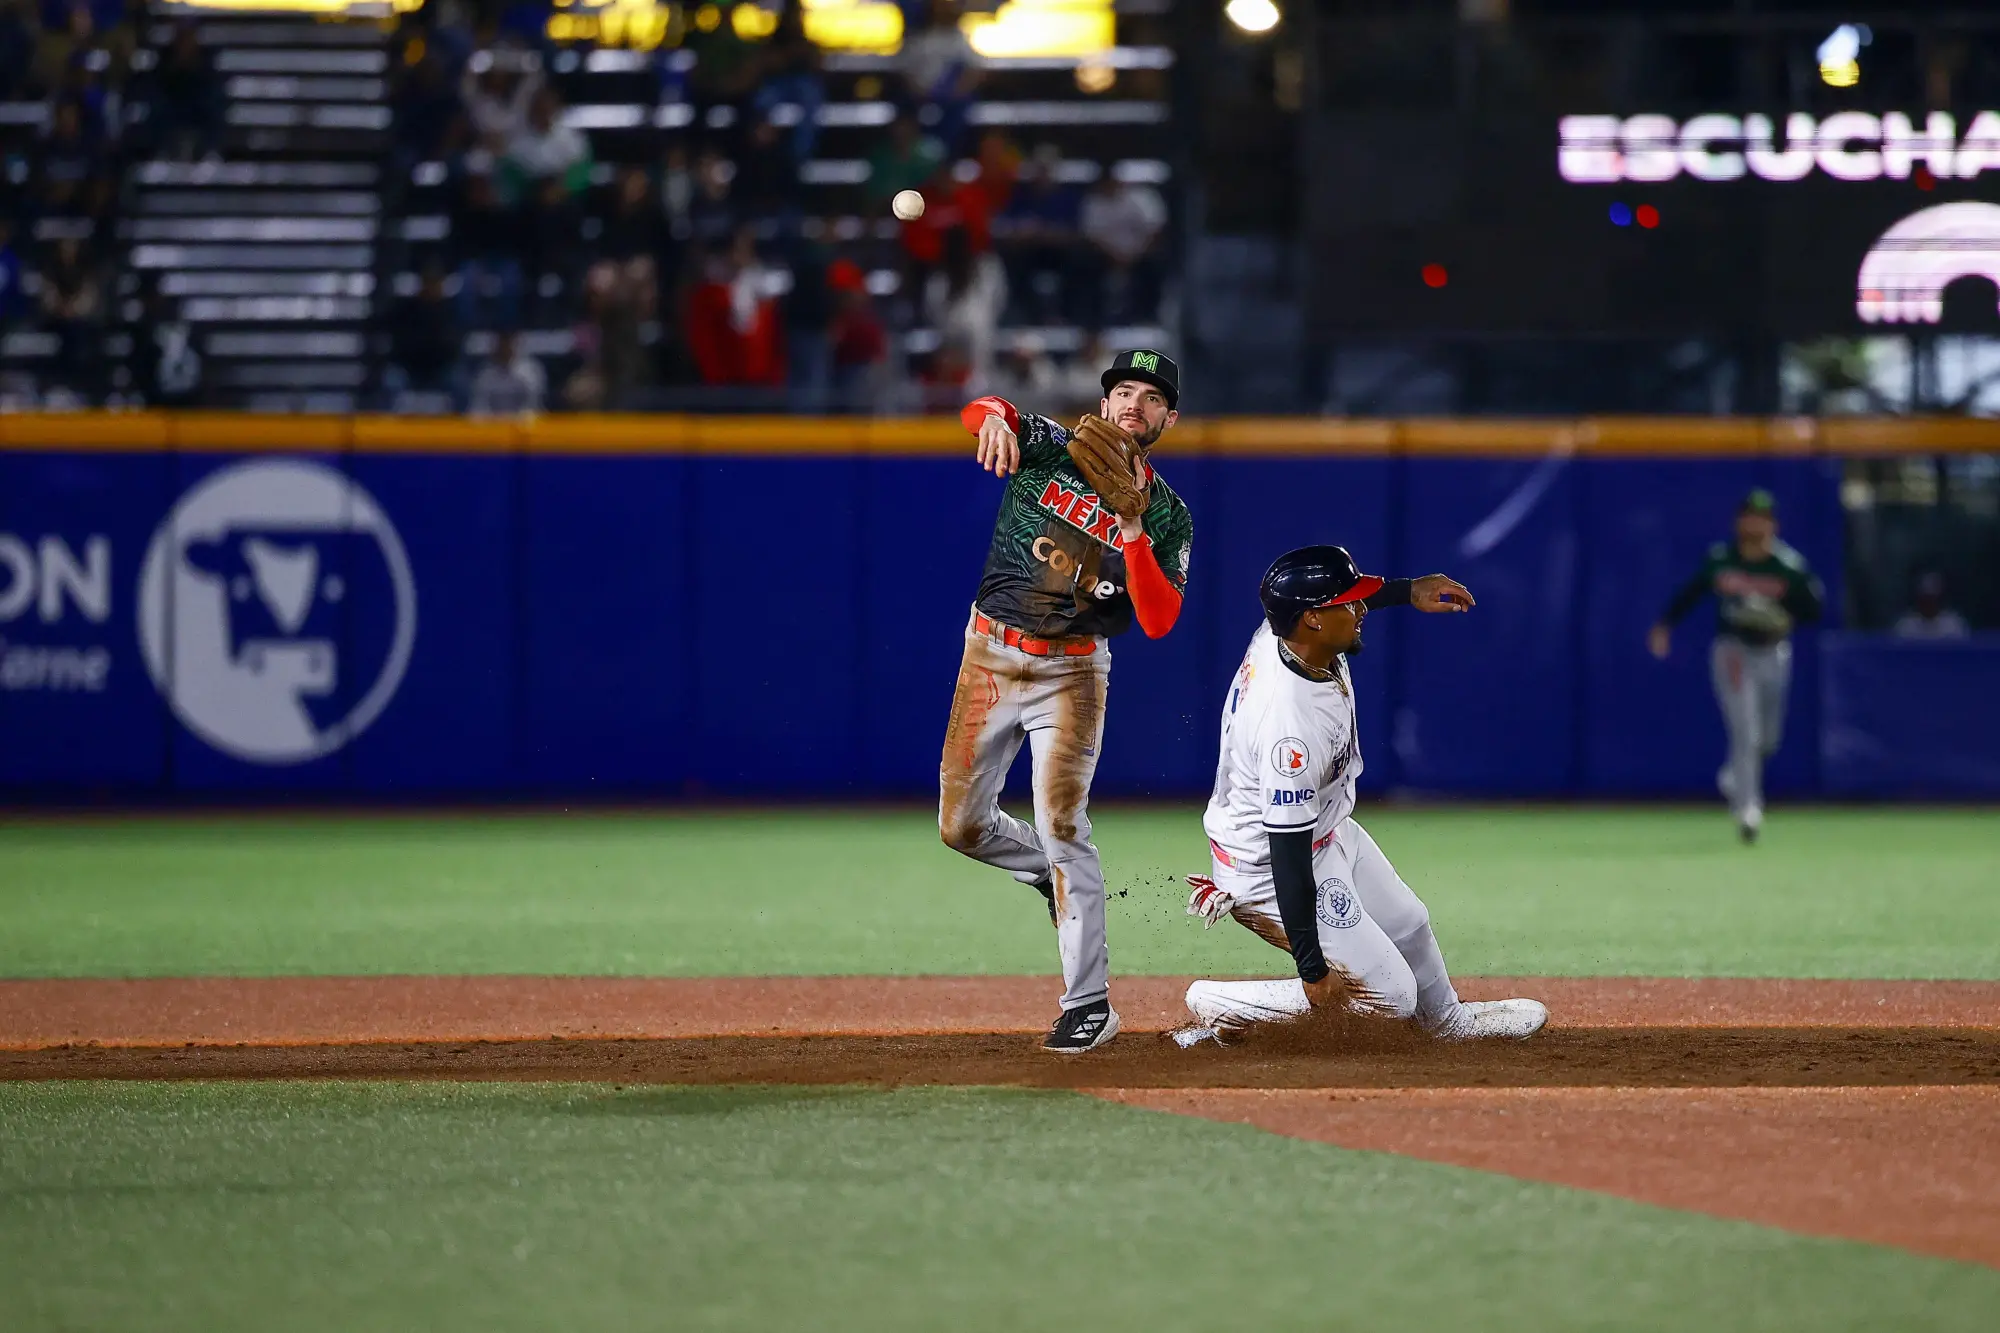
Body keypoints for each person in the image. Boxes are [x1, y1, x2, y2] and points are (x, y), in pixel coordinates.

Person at [1173, 546, 1549, 1045]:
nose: (1361, 610)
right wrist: (1311, 970)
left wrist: (1407, 591)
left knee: (1410, 923)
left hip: (1324, 829)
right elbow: (1287, 855)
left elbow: (1343, 604)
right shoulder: (1290, 724)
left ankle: (1448, 1026)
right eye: (1349, 604)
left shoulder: (1285, 634)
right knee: (1390, 997)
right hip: (1267, 867)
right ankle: (1218, 1003)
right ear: (1311, 619)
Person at [939, 350, 1195, 1053]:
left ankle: (1088, 1004)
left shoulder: (1169, 516)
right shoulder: (1056, 446)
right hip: (989, 653)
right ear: (1104, 401)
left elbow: (1159, 620)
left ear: (1167, 419)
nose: (1131, 404)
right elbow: (983, 408)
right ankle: (1045, 875)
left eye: (1149, 397)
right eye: (1122, 391)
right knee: (960, 827)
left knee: (1064, 825)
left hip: (1074, 674)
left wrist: (1135, 529)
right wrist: (990, 417)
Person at [1649, 489, 1824, 843]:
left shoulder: (1787, 565)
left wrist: (1780, 617)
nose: (1754, 522)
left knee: (1768, 738)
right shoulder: (1721, 559)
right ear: (1739, 521)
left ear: (1773, 523)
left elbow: (1813, 609)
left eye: (1762, 517)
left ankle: (1734, 776)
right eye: (1749, 515)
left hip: (1773, 651)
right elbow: (1691, 592)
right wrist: (1665, 625)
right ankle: (1748, 809)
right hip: (1733, 650)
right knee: (1745, 730)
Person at [467, 329, 544, 417]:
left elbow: (533, 406)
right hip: (493, 426)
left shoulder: (529, 371)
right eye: (501, 345)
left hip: (521, 425)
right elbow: (479, 407)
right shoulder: (485, 374)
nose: (504, 349)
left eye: (508, 344)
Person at [1892, 572, 1969, 640]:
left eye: (1932, 598)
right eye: (1925, 598)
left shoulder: (1953, 625)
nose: (1929, 603)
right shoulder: (1906, 626)